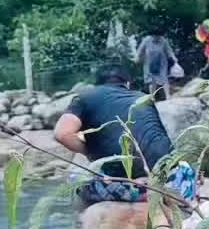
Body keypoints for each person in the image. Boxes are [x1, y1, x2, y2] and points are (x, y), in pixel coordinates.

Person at [54, 65, 196, 207]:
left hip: (131, 183)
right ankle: (173, 192)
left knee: (75, 179)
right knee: (183, 167)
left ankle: (142, 193)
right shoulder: (142, 97)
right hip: (171, 176)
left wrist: (90, 151)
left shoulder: (84, 97)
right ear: (127, 84)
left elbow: (62, 134)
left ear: (96, 84)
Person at [135, 29, 178, 100]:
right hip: (149, 62)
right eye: (155, 36)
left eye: (158, 36)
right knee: (151, 80)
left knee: (164, 78)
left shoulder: (163, 40)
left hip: (161, 62)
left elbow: (169, 50)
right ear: (152, 36)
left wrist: (173, 58)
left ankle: (168, 96)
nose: (157, 38)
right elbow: (140, 50)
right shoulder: (147, 40)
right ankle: (152, 97)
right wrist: (137, 57)